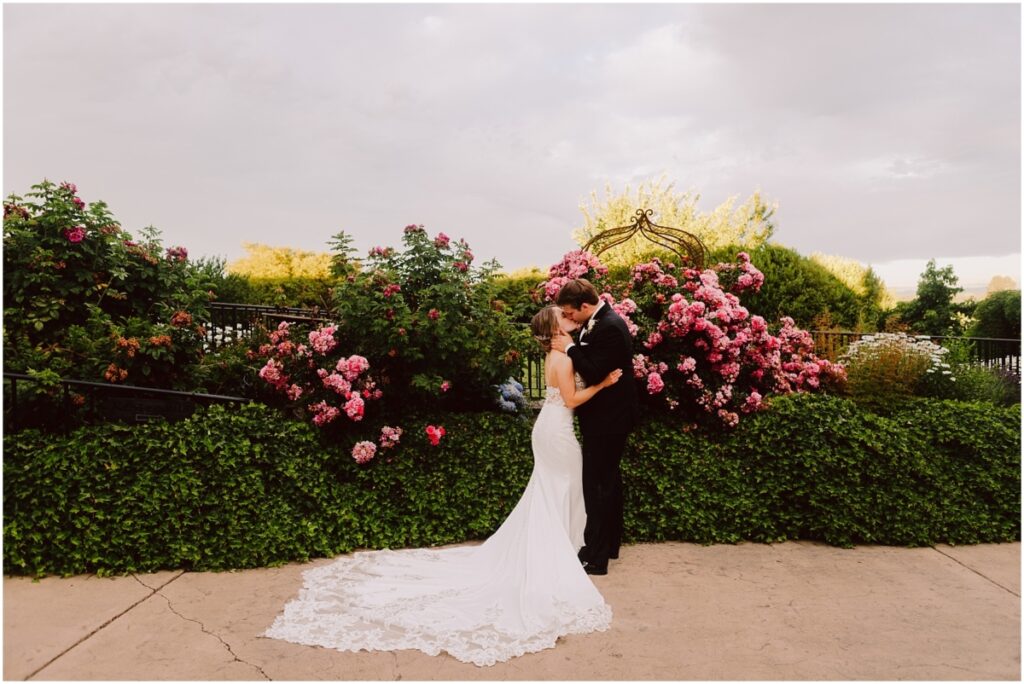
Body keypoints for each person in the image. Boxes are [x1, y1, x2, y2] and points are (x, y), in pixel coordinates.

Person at [262, 306, 622, 667]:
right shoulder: (563, 358)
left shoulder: (558, 354)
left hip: (549, 429)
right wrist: (603, 384)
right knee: (565, 486)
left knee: (552, 490)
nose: (568, 318)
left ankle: (564, 546)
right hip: (557, 432)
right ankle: (563, 550)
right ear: (555, 328)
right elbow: (571, 400)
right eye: (562, 316)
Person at [551, 278, 640, 576]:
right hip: (607, 418)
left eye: (570, 311)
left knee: (597, 486)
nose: (569, 317)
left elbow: (593, 371)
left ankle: (596, 558)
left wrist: (570, 348)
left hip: (608, 420)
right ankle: (608, 546)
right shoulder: (599, 322)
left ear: (585, 305)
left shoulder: (610, 326)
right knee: (608, 482)